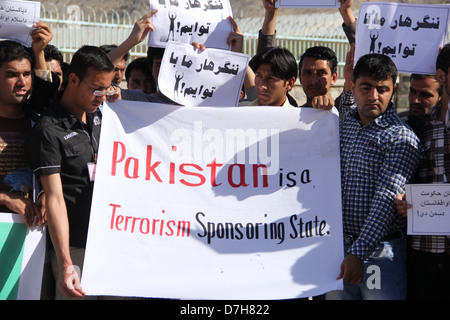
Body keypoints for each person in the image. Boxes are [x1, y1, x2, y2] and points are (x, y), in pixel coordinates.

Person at [326, 52, 422, 300]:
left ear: (393, 90)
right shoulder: (346, 122)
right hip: (339, 249)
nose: (373, 96)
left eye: (382, 89)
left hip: (380, 252)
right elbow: (345, 104)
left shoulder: (400, 137)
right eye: (365, 87)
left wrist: (357, 254)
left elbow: (385, 201)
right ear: (353, 86)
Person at [26, 45, 116, 299]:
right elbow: (54, 198)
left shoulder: (103, 117)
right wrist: (66, 263)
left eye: (106, 88)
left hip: (111, 243)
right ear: (73, 80)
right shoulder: (49, 130)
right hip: (77, 247)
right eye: (96, 88)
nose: (102, 95)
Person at [394, 44, 450, 300]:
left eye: (424, 94)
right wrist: (404, 200)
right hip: (424, 249)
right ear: (442, 76)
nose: (415, 100)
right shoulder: (417, 126)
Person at [0, 21, 56, 228]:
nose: (22, 82)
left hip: (31, 236)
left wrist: (45, 193)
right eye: (12, 75)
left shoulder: (40, 124)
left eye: (26, 74)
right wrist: (6, 198)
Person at [257, 0, 338, 109]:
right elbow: (267, 61)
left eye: (321, 73)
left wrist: (346, 12)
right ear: (299, 77)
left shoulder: (342, 114)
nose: (314, 80)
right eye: (308, 73)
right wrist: (271, 13)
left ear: (333, 77)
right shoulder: (291, 112)